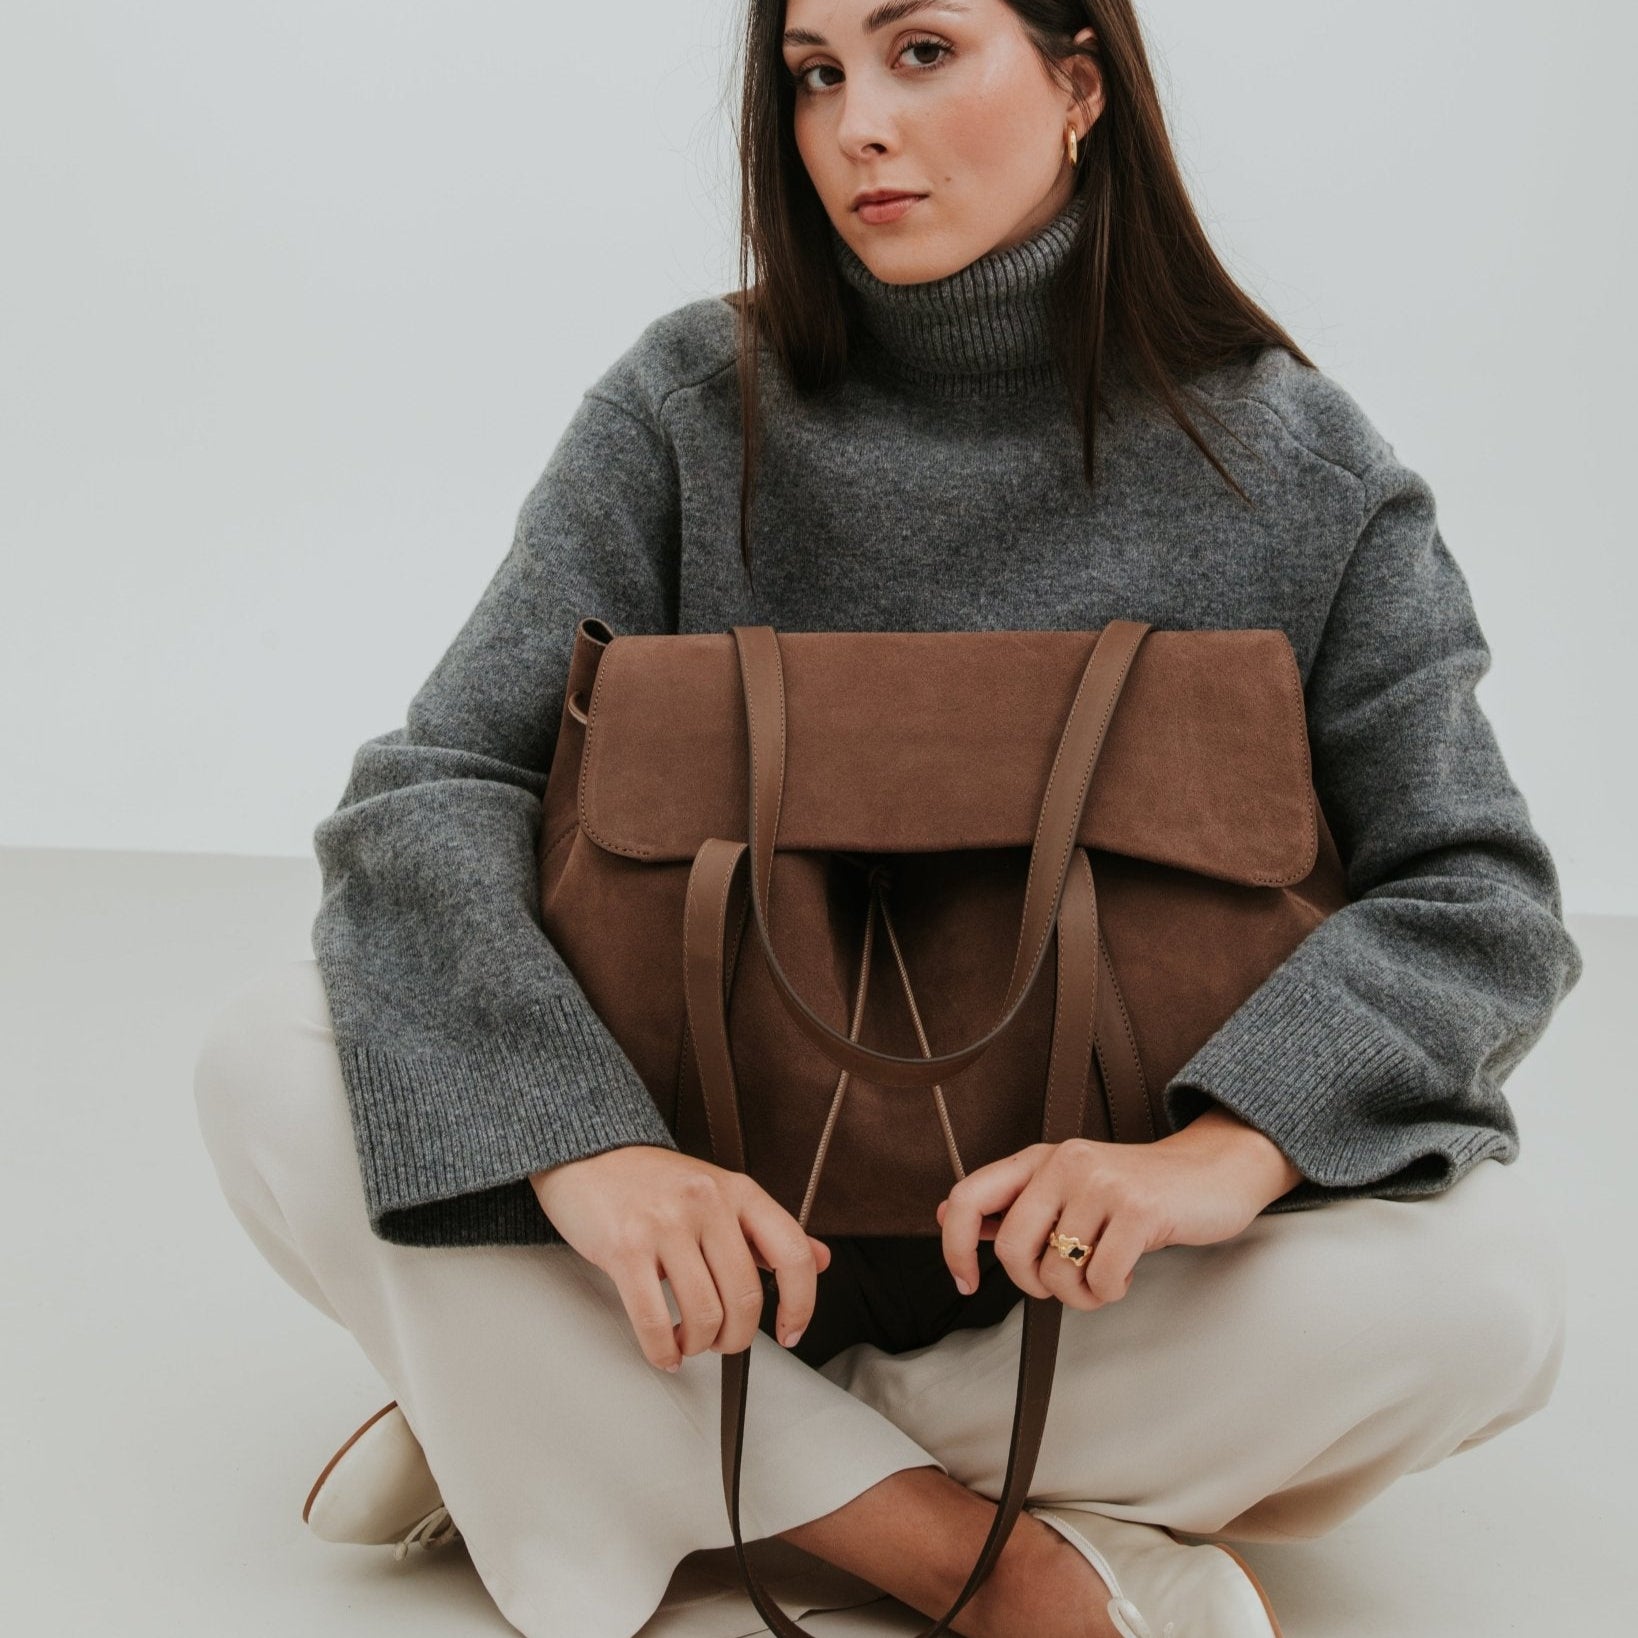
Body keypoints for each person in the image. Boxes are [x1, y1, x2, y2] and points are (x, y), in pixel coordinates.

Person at [192, 3, 1584, 1635]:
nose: (855, 122)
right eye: (814, 72)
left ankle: (567, 1416)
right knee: (270, 1055)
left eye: (921, 49)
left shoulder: (1295, 461)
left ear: (1078, 83)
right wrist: (587, 1147)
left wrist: (1217, 1156)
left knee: (1485, 1298)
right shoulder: (687, 404)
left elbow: (1472, 893)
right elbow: (435, 788)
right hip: (716, 1219)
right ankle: (956, 1557)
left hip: (1084, 1275)